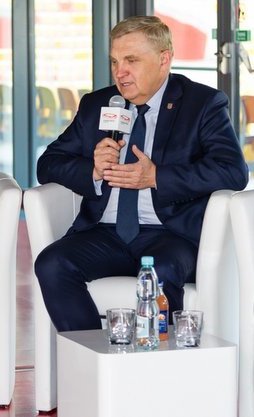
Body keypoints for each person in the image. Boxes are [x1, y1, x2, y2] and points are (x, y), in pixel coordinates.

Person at [34, 15, 249, 332]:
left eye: (131, 60)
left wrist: (157, 178)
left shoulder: (202, 104)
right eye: (115, 61)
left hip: (171, 235)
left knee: (162, 270)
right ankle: (94, 360)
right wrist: (92, 170)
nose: (120, 72)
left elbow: (232, 172)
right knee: (51, 263)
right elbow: (48, 164)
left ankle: (153, 368)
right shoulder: (99, 105)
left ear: (164, 60)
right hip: (104, 232)